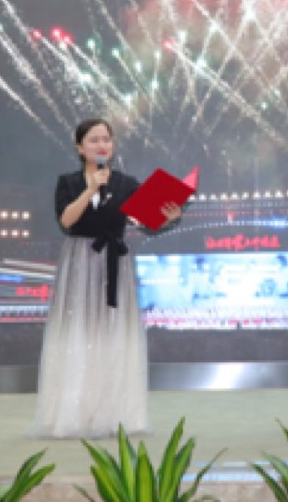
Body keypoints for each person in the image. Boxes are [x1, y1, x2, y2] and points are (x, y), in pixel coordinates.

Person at [27, 118, 181, 439]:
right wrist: (91, 189)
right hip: (79, 261)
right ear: (80, 147)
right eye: (94, 140)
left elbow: (145, 221)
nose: (102, 145)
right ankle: (73, 414)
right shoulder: (68, 182)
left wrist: (168, 216)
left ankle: (114, 414)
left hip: (115, 261)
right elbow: (67, 220)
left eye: (107, 139)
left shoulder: (126, 183)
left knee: (113, 333)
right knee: (78, 332)